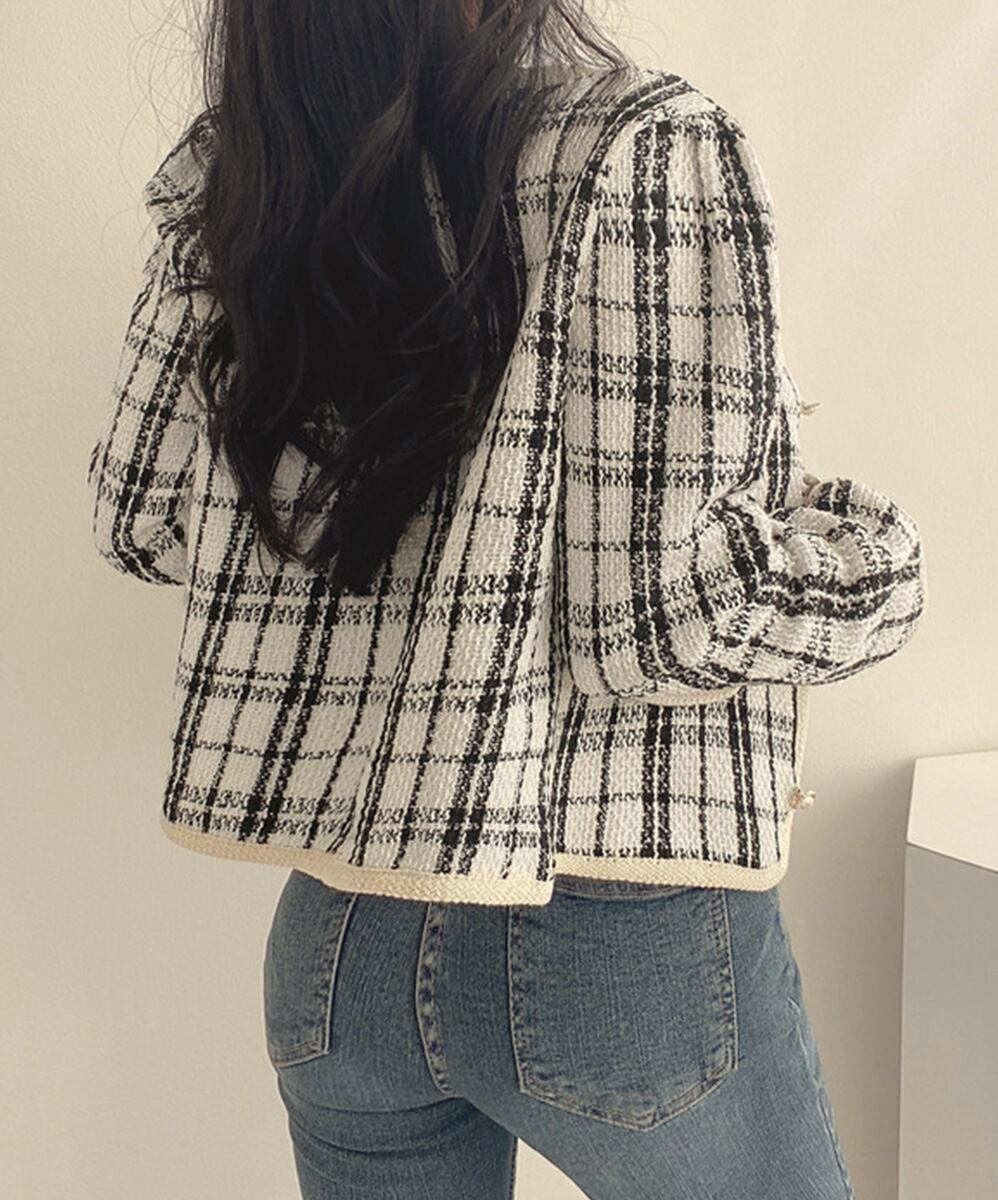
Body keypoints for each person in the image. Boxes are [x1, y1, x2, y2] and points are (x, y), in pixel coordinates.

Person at [86, 2, 926, 1197]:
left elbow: (145, 517)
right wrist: (877, 569)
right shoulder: (644, 142)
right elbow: (661, 620)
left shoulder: (254, 156)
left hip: (343, 933)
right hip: (617, 925)